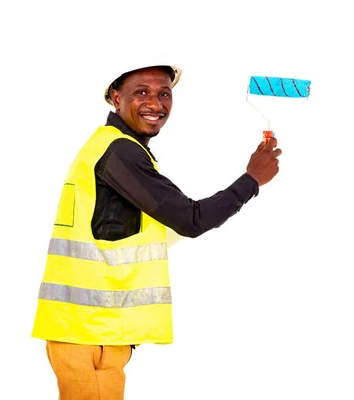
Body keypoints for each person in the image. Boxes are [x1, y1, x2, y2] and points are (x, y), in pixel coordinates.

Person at [31, 60, 282, 400]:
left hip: (97, 333)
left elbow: (147, 232)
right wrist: (251, 180)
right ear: (115, 97)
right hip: (88, 334)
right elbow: (190, 220)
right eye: (141, 93)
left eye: (165, 93)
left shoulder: (117, 149)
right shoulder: (118, 152)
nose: (156, 103)